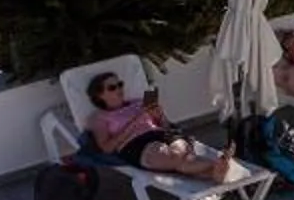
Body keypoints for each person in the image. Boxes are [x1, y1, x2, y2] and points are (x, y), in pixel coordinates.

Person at [83, 72, 236, 180]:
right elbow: (107, 148)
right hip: (136, 144)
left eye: (119, 84)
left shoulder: (139, 102)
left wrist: (160, 116)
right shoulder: (99, 117)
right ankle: (218, 165)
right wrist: (134, 123)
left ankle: (216, 170)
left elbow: (166, 125)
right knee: (177, 157)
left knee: (183, 155)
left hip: (162, 133)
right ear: (99, 95)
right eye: (112, 87)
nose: (119, 89)